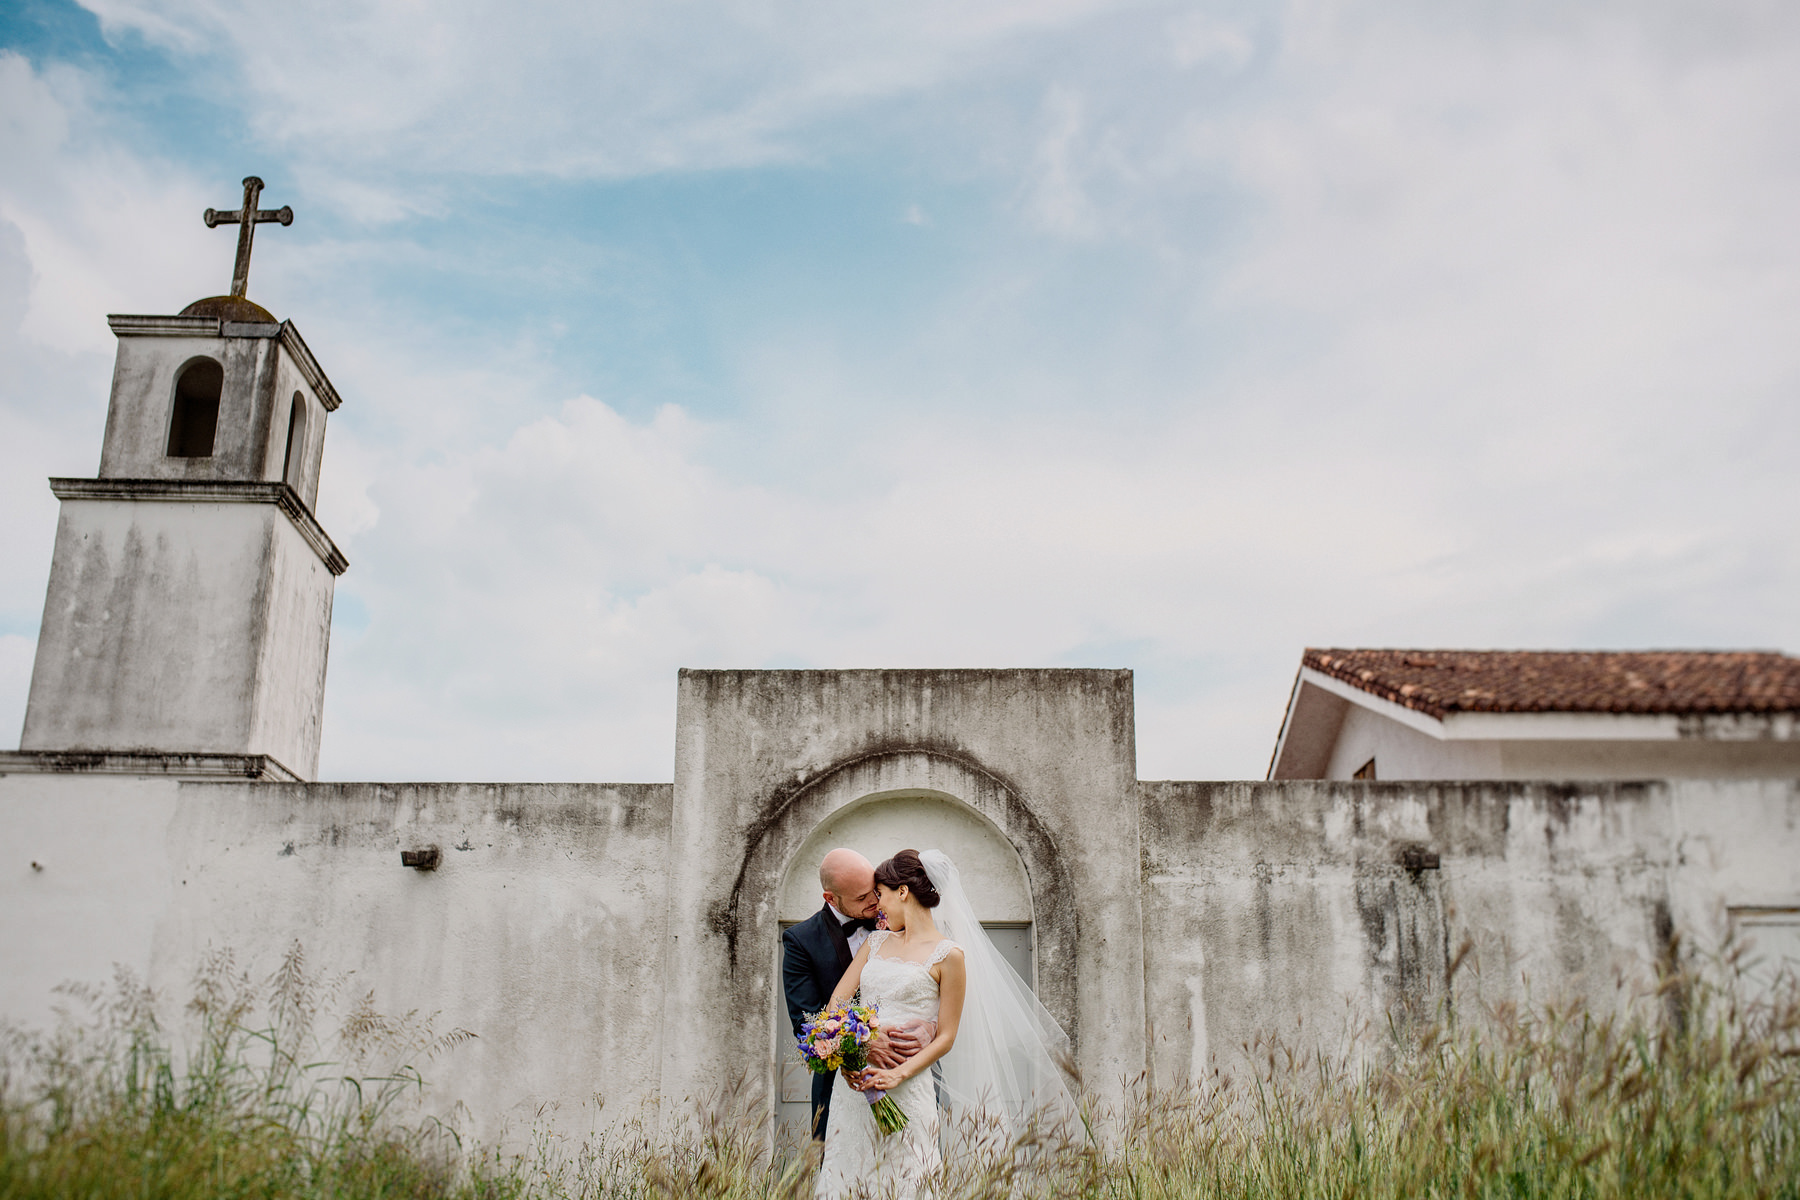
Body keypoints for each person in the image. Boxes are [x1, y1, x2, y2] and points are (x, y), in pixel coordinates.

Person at [815, 849, 1082, 1200]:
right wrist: (852, 1051)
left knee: (908, 1180)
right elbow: (837, 1004)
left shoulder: (950, 955)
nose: (878, 906)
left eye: (880, 895)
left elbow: (946, 1037)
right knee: (845, 1179)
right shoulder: (875, 942)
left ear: (903, 892)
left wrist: (899, 1074)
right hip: (856, 1087)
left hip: (908, 1087)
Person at [781, 848, 929, 1140]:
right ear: (830, 898)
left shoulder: (902, 919)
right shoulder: (801, 941)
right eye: (861, 898)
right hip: (843, 1083)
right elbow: (805, 1022)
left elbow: (933, 983)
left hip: (909, 1072)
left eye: (874, 891)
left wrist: (932, 1027)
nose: (875, 902)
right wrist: (862, 1047)